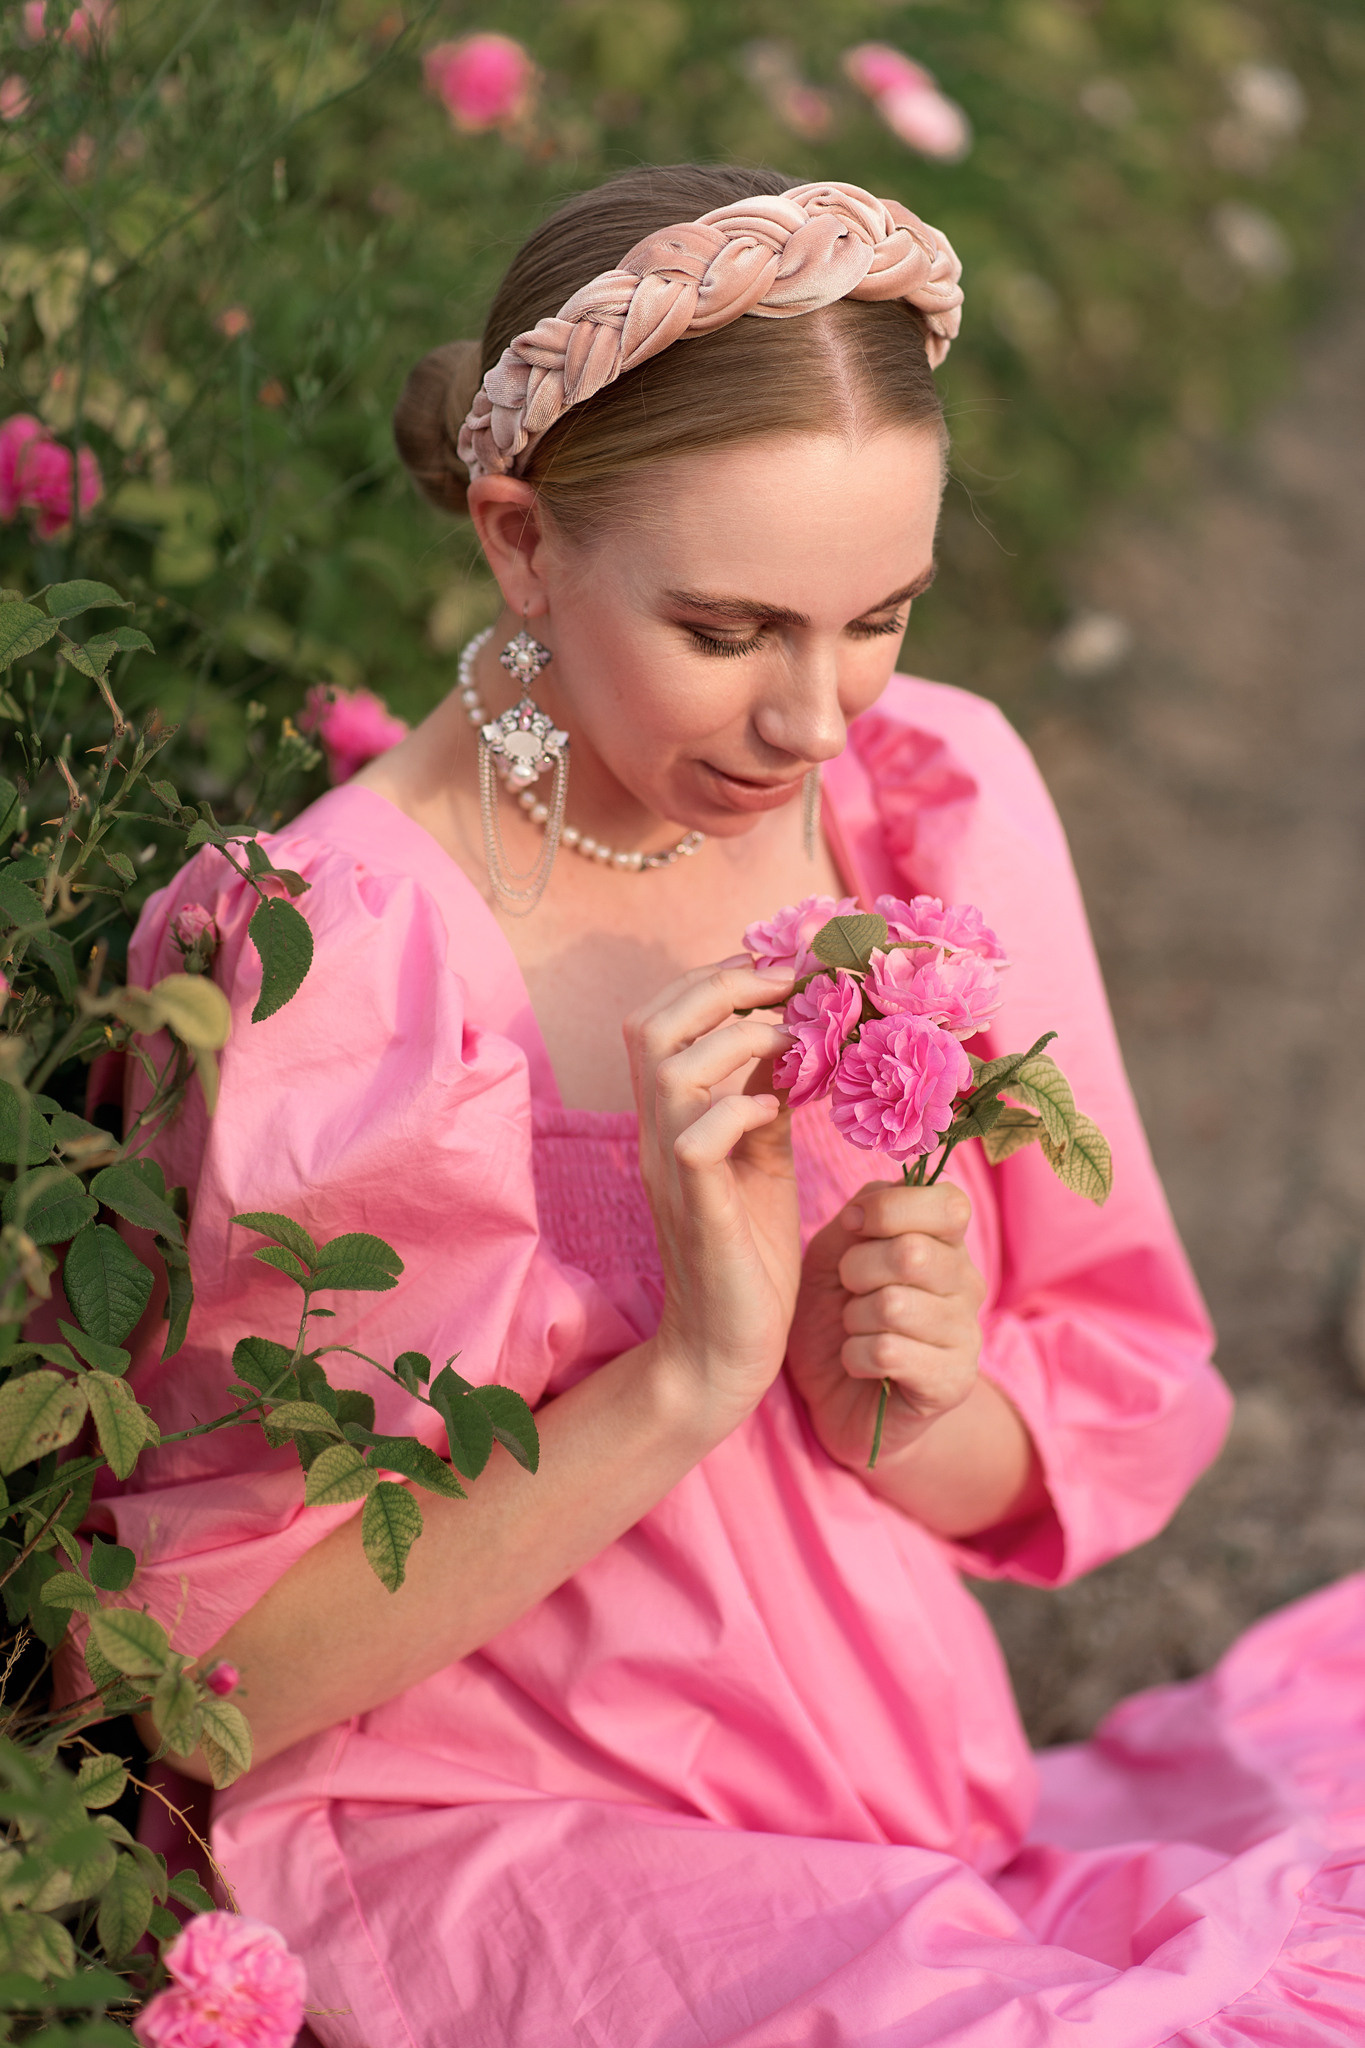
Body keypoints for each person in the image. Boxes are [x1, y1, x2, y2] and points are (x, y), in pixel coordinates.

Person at [105, 167, 1365, 2045]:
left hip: (898, 1793)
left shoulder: (927, 803)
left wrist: (903, 1404)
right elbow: (212, 1688)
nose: (814, 718)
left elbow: (1078, 1407)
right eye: (726, 631)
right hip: (490, 1838)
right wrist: (691, 1371)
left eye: (881, 615)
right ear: (520, 540)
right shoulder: (343, 961)